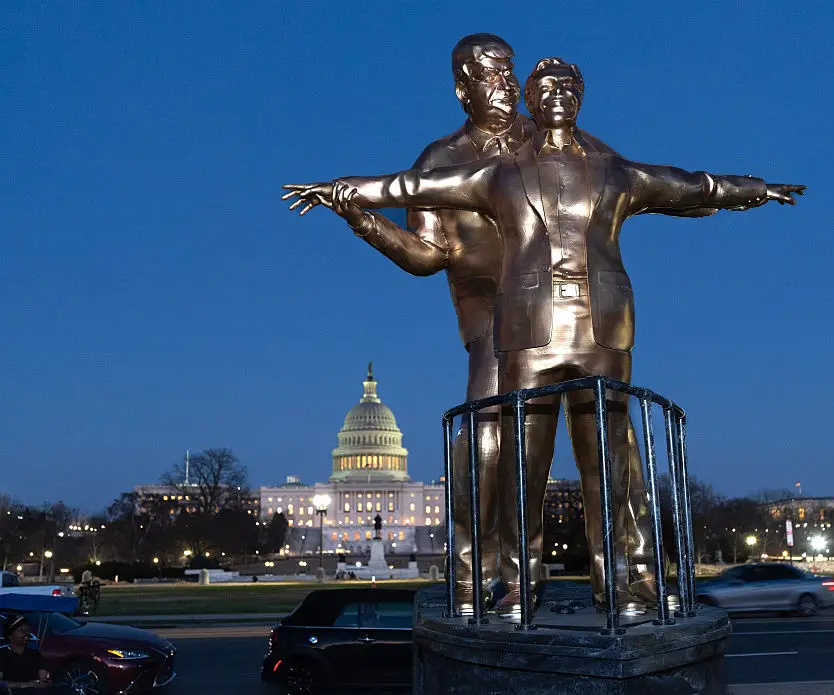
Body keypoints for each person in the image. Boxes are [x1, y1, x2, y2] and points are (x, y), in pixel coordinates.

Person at [285, 57, 804, 615]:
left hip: (600, 324)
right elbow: (414, 189)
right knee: (513, 464)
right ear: (478, 91)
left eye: (565, 85)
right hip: (519, 326)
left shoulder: (609, 165)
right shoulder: (492, 171)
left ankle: (627, 585)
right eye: (537, 85)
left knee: (611, 459)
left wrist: (755, 188)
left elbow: (684, 185)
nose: (546, 93)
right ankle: (509, 583)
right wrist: (350, 199)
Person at [283, 34, 658, 613]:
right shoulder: (443, 161)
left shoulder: (557, 141)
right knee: (486, 438)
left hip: (570, 313)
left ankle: (630, 573)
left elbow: (620, 183)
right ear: (464, 89)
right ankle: (479, 576)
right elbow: (425, 256)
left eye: (510, 72)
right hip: (491, 319)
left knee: (611, 437)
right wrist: (362, 219)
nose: (506, 85)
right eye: (491, 75)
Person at [0, 615, 77, 695]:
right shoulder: (2, 654)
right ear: (10, 635)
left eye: (27, 631)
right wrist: (26, 684)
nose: (25, 634)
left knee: (68, 693)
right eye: (20, 631)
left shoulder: (34, 654)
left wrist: (46, 681)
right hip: (15, 693)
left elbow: (42, 675)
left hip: (38, 691)